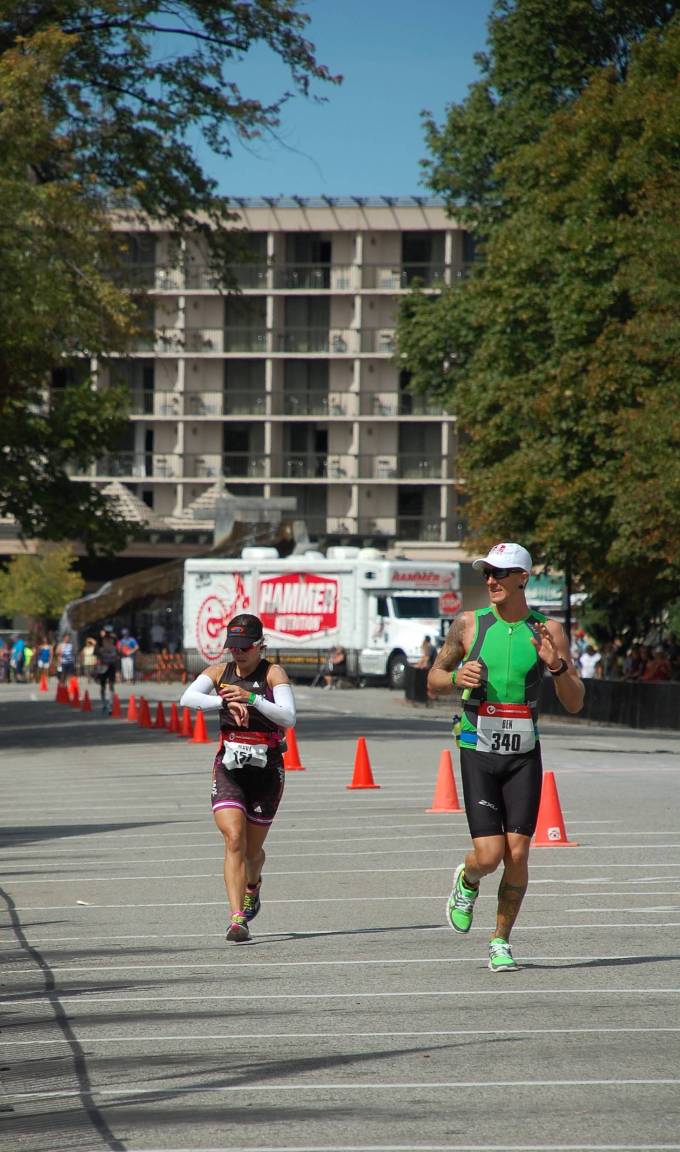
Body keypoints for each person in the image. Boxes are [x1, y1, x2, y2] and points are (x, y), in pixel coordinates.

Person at [427, 542, 584, 972]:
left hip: (523, 754)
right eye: (487, 574)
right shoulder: (469, 625)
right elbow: (433, 679)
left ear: (523, 578)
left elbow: (574, 702)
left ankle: (501, 940)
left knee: (518, 854)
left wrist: (556, 667)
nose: (491, 581)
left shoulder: (547, 630)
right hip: (477, 748)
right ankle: (469, 876)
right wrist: (457, 675)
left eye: (500, 573)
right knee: (490, 854)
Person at [180, 612, 296, 943]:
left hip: (266, 770)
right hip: (230, 766)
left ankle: (253, 884)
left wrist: (252, 698)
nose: (238, 653)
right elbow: (187, 698)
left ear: (260, 645)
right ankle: (237, 919)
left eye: (245, 647)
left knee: (252, 852)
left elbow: (289, 717)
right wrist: (223, 699)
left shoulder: (273, 673)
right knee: (233, 838)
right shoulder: (220, 672)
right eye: (234, 646)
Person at [95, 627, 118, 713]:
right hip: (103, 665)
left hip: (111, 665)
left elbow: (117, 652)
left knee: (111, 685)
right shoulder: (100, 641)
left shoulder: (114, 640)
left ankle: (110, 704)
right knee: (103, 685)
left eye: (109, 632)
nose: (108, 634)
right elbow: (96, 652)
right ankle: (104, 703)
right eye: (107, 632)